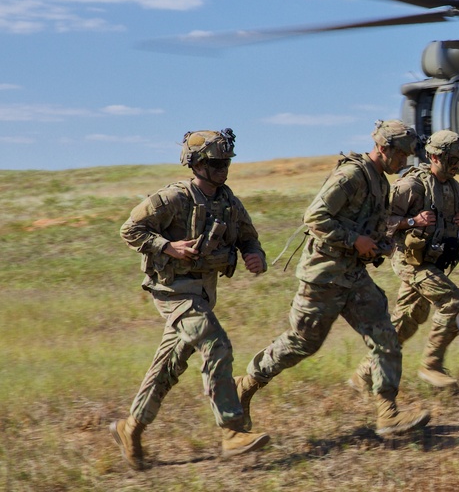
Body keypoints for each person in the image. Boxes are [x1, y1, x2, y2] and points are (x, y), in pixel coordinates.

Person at [235, 120, 430, 436]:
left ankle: (388, 412)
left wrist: (378, 244)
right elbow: (314, 217)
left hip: (353, 276)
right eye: (403, 155)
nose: (405, 162)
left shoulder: (380, 182)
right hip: (323, 276)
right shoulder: (351, 175)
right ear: (384, 148)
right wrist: (354, 240)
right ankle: (246, 384)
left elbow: (373, 227)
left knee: (385, 335)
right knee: (302, 343)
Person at [110, 129, 270, 470]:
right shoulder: (172, 198)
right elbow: (130, 230)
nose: (223, 169)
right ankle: (231, 431)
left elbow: (248, 237)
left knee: (169, 366)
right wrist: (167, 247)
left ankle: (130, 428)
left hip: (202, 295)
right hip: (172, 293)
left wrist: (255, 255)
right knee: (217, 345)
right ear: (195, 163)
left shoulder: (229, 202)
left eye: (226, 162)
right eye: (215, 163)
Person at [351, 130, 459, 391]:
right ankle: (432, 365)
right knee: (452, 302)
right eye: (450, 160)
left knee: (406, 321)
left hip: (433, 261)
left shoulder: (453, 187)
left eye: (458, 161)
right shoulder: (410, 186)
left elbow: (448, 225)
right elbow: (380, 223)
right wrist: (411, 222)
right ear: (432, 156)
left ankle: (364, 373)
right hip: (410, 262)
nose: (454, 166)